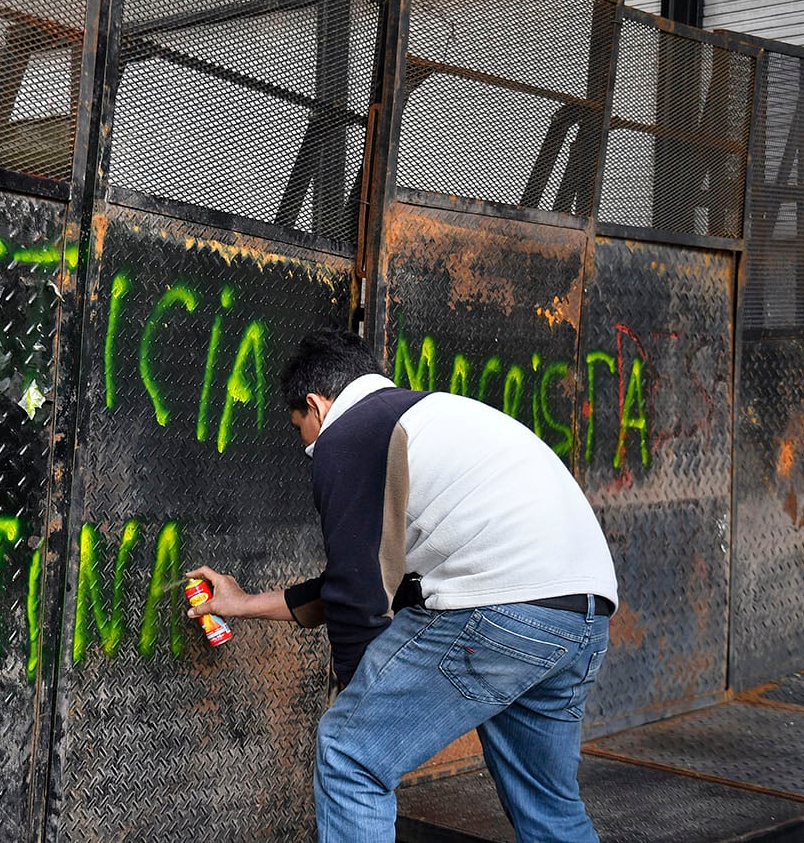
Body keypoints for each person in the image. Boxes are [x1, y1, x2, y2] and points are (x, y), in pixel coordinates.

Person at [186, 327, 617, 843]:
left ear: (316, 405)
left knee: (350, 754)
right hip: (581, 617)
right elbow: (364, 581)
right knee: (548, 806)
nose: (307, 446)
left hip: (501, 607)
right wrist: (242, 603)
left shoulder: (349, 434)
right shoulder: (430, 418)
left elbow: (358, 593)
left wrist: (358, 699)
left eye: (300, 429)